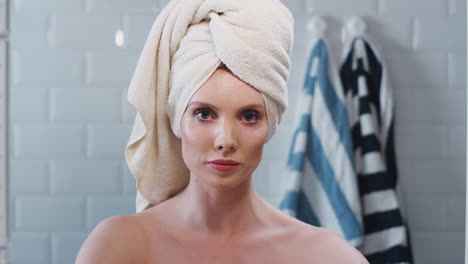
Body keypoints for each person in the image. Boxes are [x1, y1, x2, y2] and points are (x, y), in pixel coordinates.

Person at [75, 0, 369, 263]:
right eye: (204, 114)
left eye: (250, 116)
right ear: (177, 119)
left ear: (271, 124)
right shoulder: (117, 248)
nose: (225, 140)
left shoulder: (326, 256)